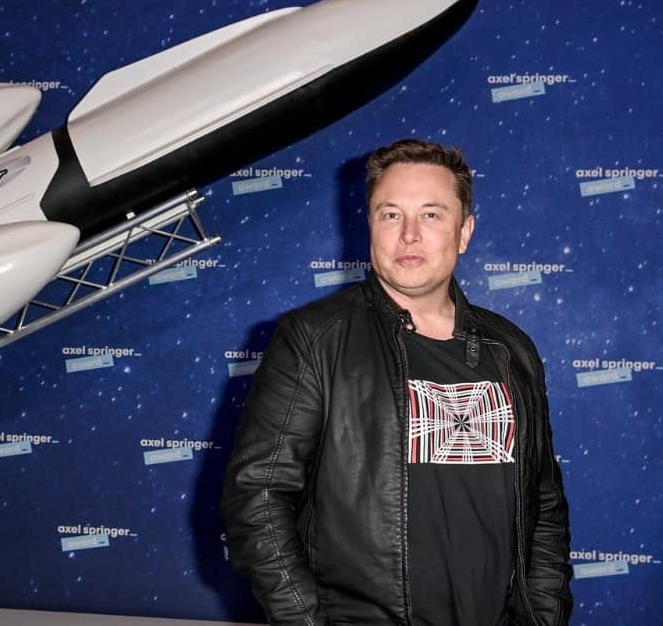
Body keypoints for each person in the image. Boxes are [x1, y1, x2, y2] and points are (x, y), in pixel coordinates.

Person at [221, 139, 572, 625]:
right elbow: (258, 496)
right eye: (391, 215)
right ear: (369, 225)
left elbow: (545, 507)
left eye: (431, 215)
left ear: (464, 231)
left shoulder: (511, 349)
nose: (409, 235)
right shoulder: (315, 339)